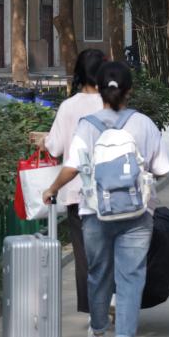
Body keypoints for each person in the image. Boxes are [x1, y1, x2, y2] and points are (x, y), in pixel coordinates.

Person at [42, 61, 169, 337]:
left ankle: (99, 333)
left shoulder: (87, 126)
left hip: (95, 213)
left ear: (99, 91)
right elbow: (163, 169)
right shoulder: (143, 124)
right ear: (130, 90)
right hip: (137, 214)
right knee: (131, 277)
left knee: (98, 274)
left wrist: (52, 188)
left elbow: (72, 167)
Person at [36, 49, 105, 316]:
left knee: (84, 253)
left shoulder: (68, 107)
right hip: (113, 190)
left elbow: (55, 148)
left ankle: (92, 310)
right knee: (111, 249)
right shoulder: (110, 103)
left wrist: (43, 142)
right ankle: (112, 300)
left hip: (78, 192)